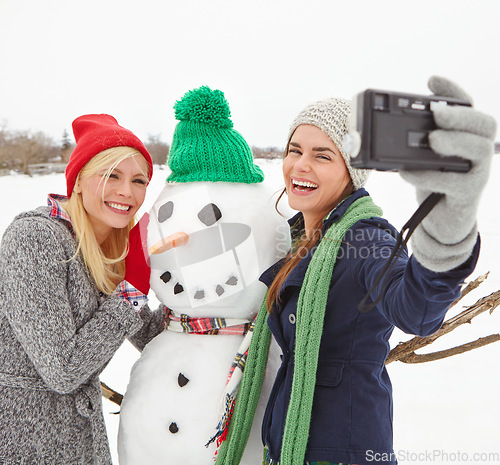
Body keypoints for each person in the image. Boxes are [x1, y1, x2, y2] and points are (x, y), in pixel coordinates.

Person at [214, 76, 497, 465]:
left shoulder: (367, 240)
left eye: (323, 155)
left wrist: (449, 221)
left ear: (352, 170)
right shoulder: (301, 242)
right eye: (294, 150)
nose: (300, 165)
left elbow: (415, 309)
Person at [0, 114, 166, 464]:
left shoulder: (109, 248)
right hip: (27, 444)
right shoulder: (35, 239)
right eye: (111, 176)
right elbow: (63, 369)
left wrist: (188, 290)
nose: (127, 192)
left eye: (139, 180)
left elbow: (152, 335)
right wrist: (132, 289)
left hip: (79, 442)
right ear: (77, 182)